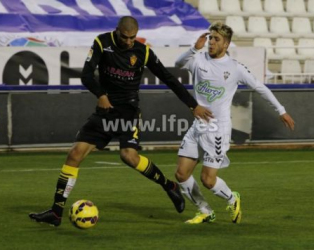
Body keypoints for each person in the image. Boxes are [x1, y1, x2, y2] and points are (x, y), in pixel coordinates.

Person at [29, 16, 213, 227]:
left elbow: (168, 78)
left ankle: (168, 186)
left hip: (128, 112)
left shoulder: (143, 52)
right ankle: (56, 212)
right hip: (105, 110)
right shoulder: (102, 43)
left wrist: (192, 105)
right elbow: (87, 75)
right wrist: (101, 94)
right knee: (74, 154)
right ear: (117, 31)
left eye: (132, 37)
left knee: (128, 156)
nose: (128, 42)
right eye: (125, 37)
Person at [174, 22, 295, 224]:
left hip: (217, 129)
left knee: (207, 180)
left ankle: (232, 198)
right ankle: (204, 211)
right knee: (181, 173)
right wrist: (194, 48)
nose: (211, 42)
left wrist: (281, 110)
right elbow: (178, 64)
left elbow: (260, 87)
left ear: (226, 44)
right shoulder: (198, 59)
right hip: (197, 125)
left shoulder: (235, 68)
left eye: (216, 39)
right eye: (210, 38)